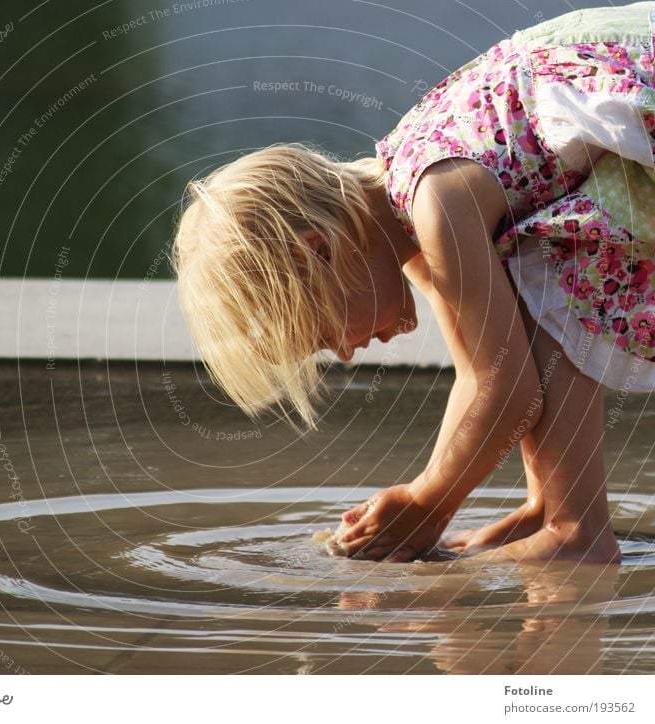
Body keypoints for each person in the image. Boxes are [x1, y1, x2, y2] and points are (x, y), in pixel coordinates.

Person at [171, 2, 655, 565]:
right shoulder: (414, 225)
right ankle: (557, 509)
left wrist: (428, 498)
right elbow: (489, 375)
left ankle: (575, 530)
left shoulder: (437, 201)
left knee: (542, 265)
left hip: (634, 94)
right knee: (533, 267)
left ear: (320, 249)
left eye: (325, 331)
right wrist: (435, 512)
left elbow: (506, 392)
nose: (347, 353)